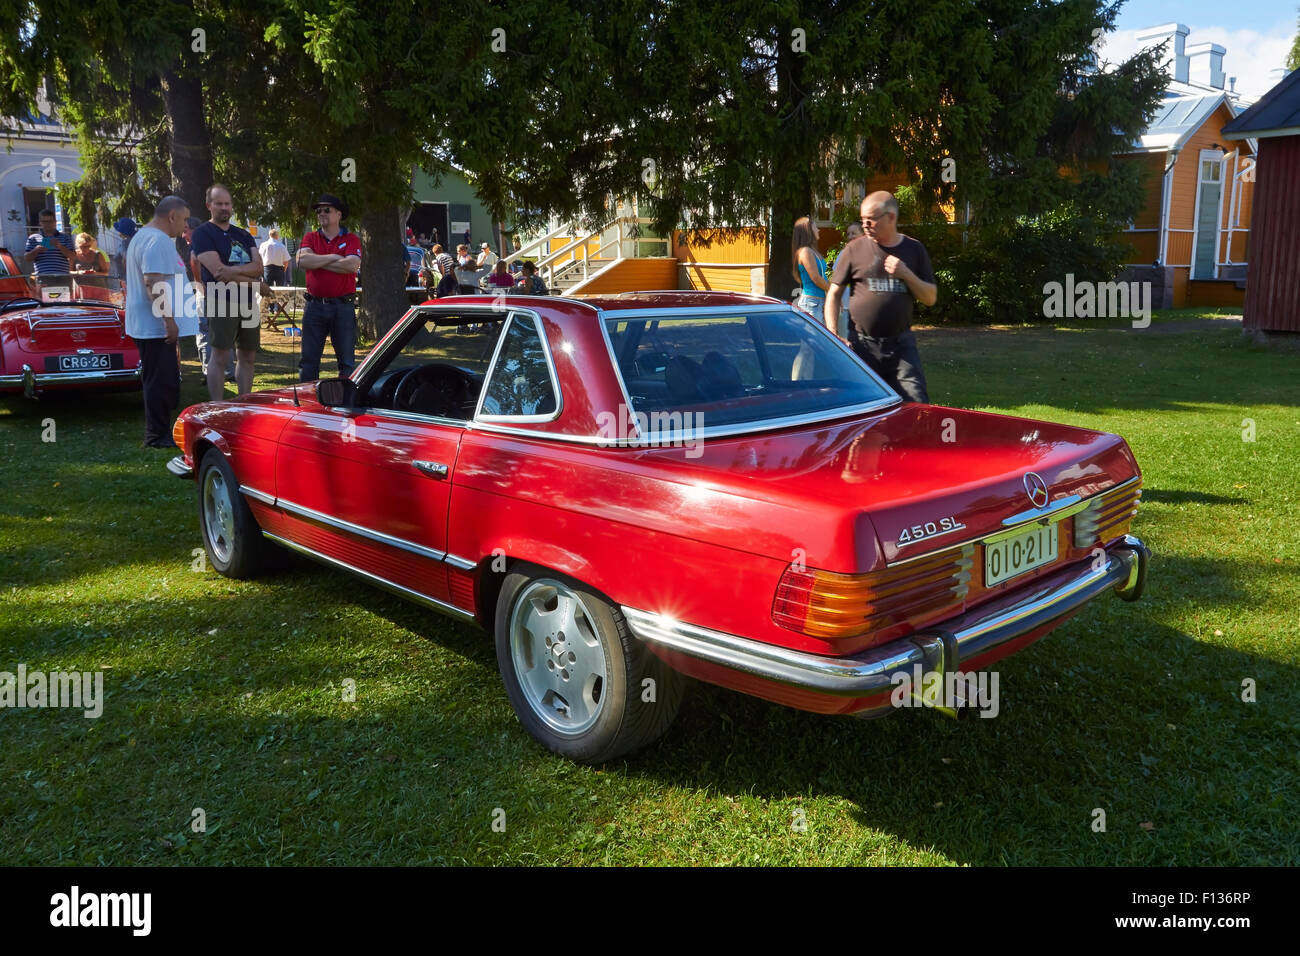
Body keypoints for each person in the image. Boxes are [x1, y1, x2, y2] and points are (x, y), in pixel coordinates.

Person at [826, 191, 937, 403]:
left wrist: (906, 274)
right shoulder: (854, 249)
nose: (865, 224)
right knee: (862, 409)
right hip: (862, 346)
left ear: (891, 217)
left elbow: (930, 297)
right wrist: (833, 333)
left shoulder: (914, 249)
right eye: (863, 219)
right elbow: (833, 293)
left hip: (901, 347)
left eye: (871, 219)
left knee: (916, 404)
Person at [124, 196, 197, 447]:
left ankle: (159, 430)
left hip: (150, 323)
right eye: (185, 219)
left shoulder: (145, 237)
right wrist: (168, 320)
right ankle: (156, 435)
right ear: (172, 216)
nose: (185, 226)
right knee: (160, 381)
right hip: (154, 325)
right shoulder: (156, 240)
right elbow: (153, 281)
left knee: (161, 378)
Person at [191, 183, 263, 400]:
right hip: (221, 299)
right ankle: (217, 405)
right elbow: (217, 272)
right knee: (220, 355)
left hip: (248, 301)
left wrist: (233, 271)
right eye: (219, 203)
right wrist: (251, 279)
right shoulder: (203, 233)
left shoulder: (243, 234)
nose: (224, 208)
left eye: (227, 203)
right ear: (209, 206)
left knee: (248, 355)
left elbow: (258, 267)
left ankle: (244, 401)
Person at [296, 193, 362, 382]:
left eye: (327, 210)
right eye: (318, 211)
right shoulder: (310, 237)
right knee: (308, 361)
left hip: (343, 307)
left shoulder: (351, 239)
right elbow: (301, 260)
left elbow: (351, 265)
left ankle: (347, 403)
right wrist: (334, 258)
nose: (321, 213)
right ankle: (309, 404)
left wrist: (316, 261)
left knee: (347, 362)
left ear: (339, 214)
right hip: (314, 307)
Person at [791, 215, 829, 318]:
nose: (818, 230)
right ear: (808, 231)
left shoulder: (813, 251)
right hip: (811, 303)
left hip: (819, 301)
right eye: (815, 227)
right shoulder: (805, 251)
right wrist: (831, 292)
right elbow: (816, 278)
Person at [23, 210, 75, 276]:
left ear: (55, 222)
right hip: (42, 277)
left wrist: (60, 246)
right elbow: (27, 258)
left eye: (50, 221)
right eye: (44, 222)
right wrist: (36, 250)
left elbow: (73, 256)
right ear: (40, 223)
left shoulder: (65, 237)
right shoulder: (33, 238)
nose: (48, 224)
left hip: (62, 276)